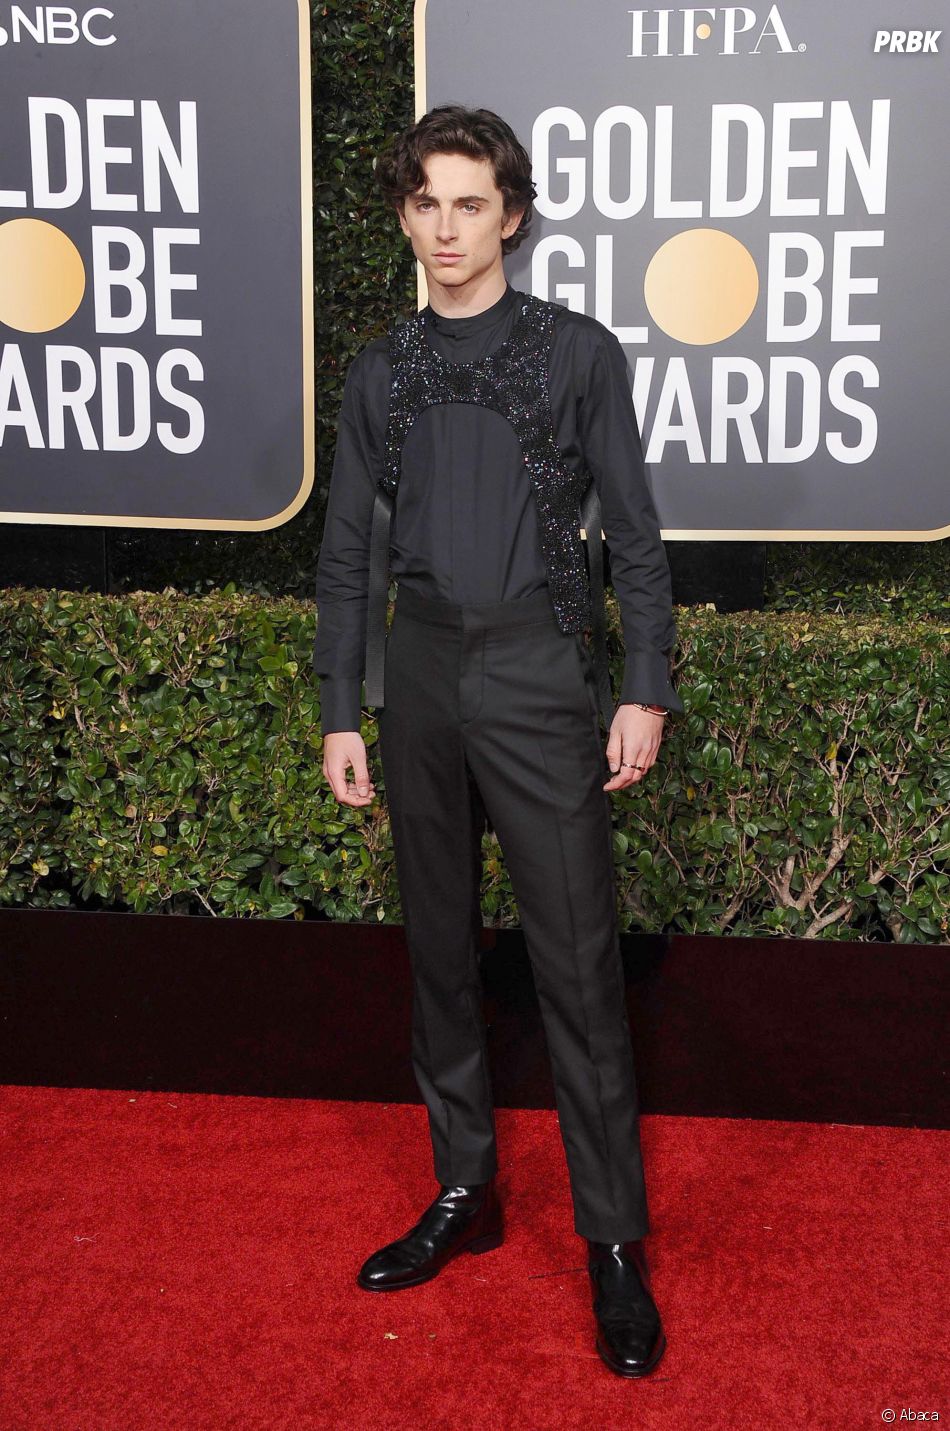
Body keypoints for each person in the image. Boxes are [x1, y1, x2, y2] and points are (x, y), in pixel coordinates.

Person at [313, 103, 684, 1380]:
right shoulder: (377, 370)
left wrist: (641, 684)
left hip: (536, 672)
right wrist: (338, 706)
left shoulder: (578, 355)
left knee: (578, 972)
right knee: (436, 957)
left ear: (511, 215)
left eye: (471, 202)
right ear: (405, 217)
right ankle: (462, 1191)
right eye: (425, 202)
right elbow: (350, 549)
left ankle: (614, 1243)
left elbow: (633, 530)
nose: (447, 226)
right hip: (415, 674)